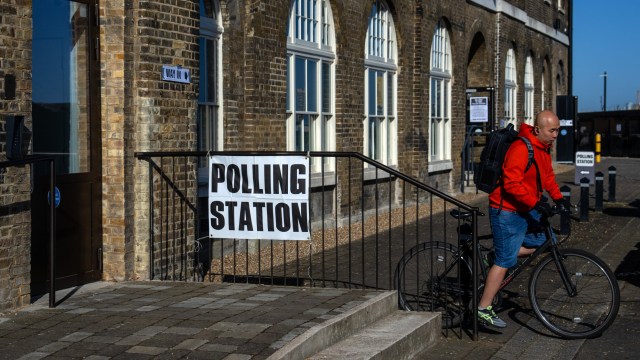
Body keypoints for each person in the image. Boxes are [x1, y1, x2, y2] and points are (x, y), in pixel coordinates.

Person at [477, 110, 567, 328]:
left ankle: (499, 252)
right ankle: (483, 308)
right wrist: (535, 203)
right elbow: (511, 184)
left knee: (547, 240)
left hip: (525, 207)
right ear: (538, 130)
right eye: (552, 130)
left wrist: (558, 198)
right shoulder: (521, 148)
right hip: (507, 210)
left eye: (558, 130)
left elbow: (547, 177)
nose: (556, 135)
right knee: (505, 260)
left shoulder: (544, 149)